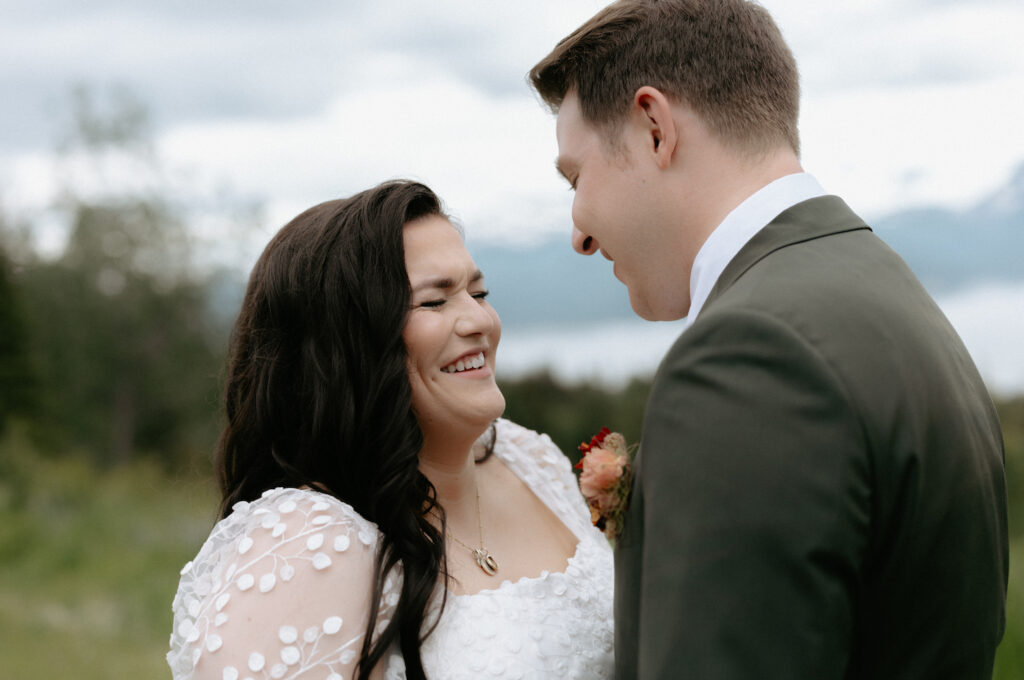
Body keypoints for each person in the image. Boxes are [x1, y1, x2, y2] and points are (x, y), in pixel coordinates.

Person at [529, 1, 1007, 678]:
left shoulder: (751, 356)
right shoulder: (883, 289)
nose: (578, 233)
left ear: (654, 128)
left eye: (576, 178)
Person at [167, 181, 614, 680]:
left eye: (478, 292)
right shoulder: (307, 547)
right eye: (434, 302)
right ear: (347, 347)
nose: (481, 320)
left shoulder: (534, 461)